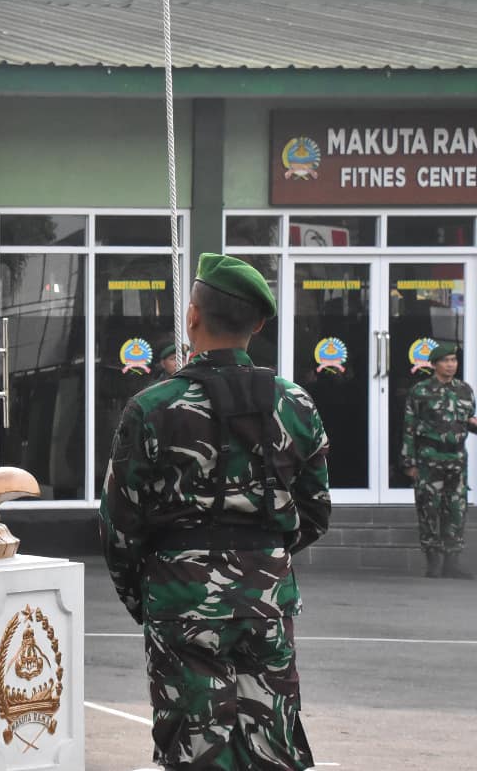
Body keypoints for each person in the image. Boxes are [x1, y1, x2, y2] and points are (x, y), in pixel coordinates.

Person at [99, 253, 331, 771]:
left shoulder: (153, 407)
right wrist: (265, 560)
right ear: (260, 324)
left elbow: (119, 524)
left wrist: (151, 596)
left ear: (192, 316)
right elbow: (316, 511)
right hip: (267, 596)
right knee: (271, 742)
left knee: (196, 746)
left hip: (179, 595)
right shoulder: (295, 403)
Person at [400, 342, 476, 580]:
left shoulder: (465, 390)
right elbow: (409, 429)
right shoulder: (420, 391)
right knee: (429, 508)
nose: (451, 365)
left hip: (456, 458)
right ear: (434, 364)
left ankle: (452, 562)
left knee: (456, 509)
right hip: (429, 458)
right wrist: (409, 462)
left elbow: (468, 421)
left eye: (454, 360)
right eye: (446, 361)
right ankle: (433, 561)